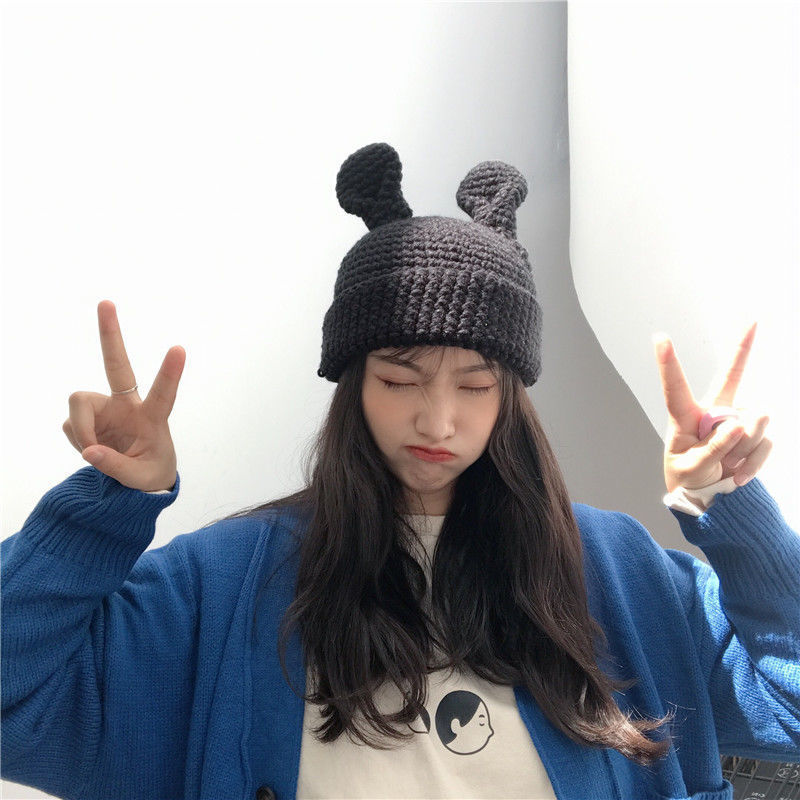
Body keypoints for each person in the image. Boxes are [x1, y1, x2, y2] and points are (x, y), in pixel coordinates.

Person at [1, 142, 798, 800]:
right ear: (353, 384)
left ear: (511, 398)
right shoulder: (226, 583)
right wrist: (111, 503)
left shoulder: (613, 571)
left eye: (476, 385)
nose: (438, 421)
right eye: (399, 378)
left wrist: (726, 505)